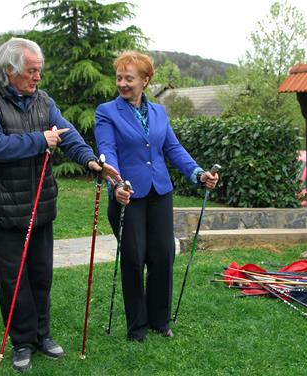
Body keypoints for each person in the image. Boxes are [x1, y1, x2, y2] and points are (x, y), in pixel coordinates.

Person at [0, 38, 120, 373]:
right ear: (10, 70)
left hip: (41, 205)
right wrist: (40, 140)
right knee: (13, 281)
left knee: (40, 276)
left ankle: (42, 334)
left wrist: (91, 160)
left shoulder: (42, 100)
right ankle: (22, 341)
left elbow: (66, 134)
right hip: (3, 209)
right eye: (31, 71)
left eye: (39, 71)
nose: (37, 78)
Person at [94, 51, 218, 343]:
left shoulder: (159, 112)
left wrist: (198, 173)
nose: (122, 84)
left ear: (145, 80)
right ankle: (137, 326)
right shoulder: (107, 112)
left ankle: (159, 320)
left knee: (163, 255)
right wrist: (117, 183)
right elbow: (107, 150)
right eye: (119, 78)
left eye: (129, 78)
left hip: (160, 192)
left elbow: (172, 149)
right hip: (128, 194)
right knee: (135, 260)